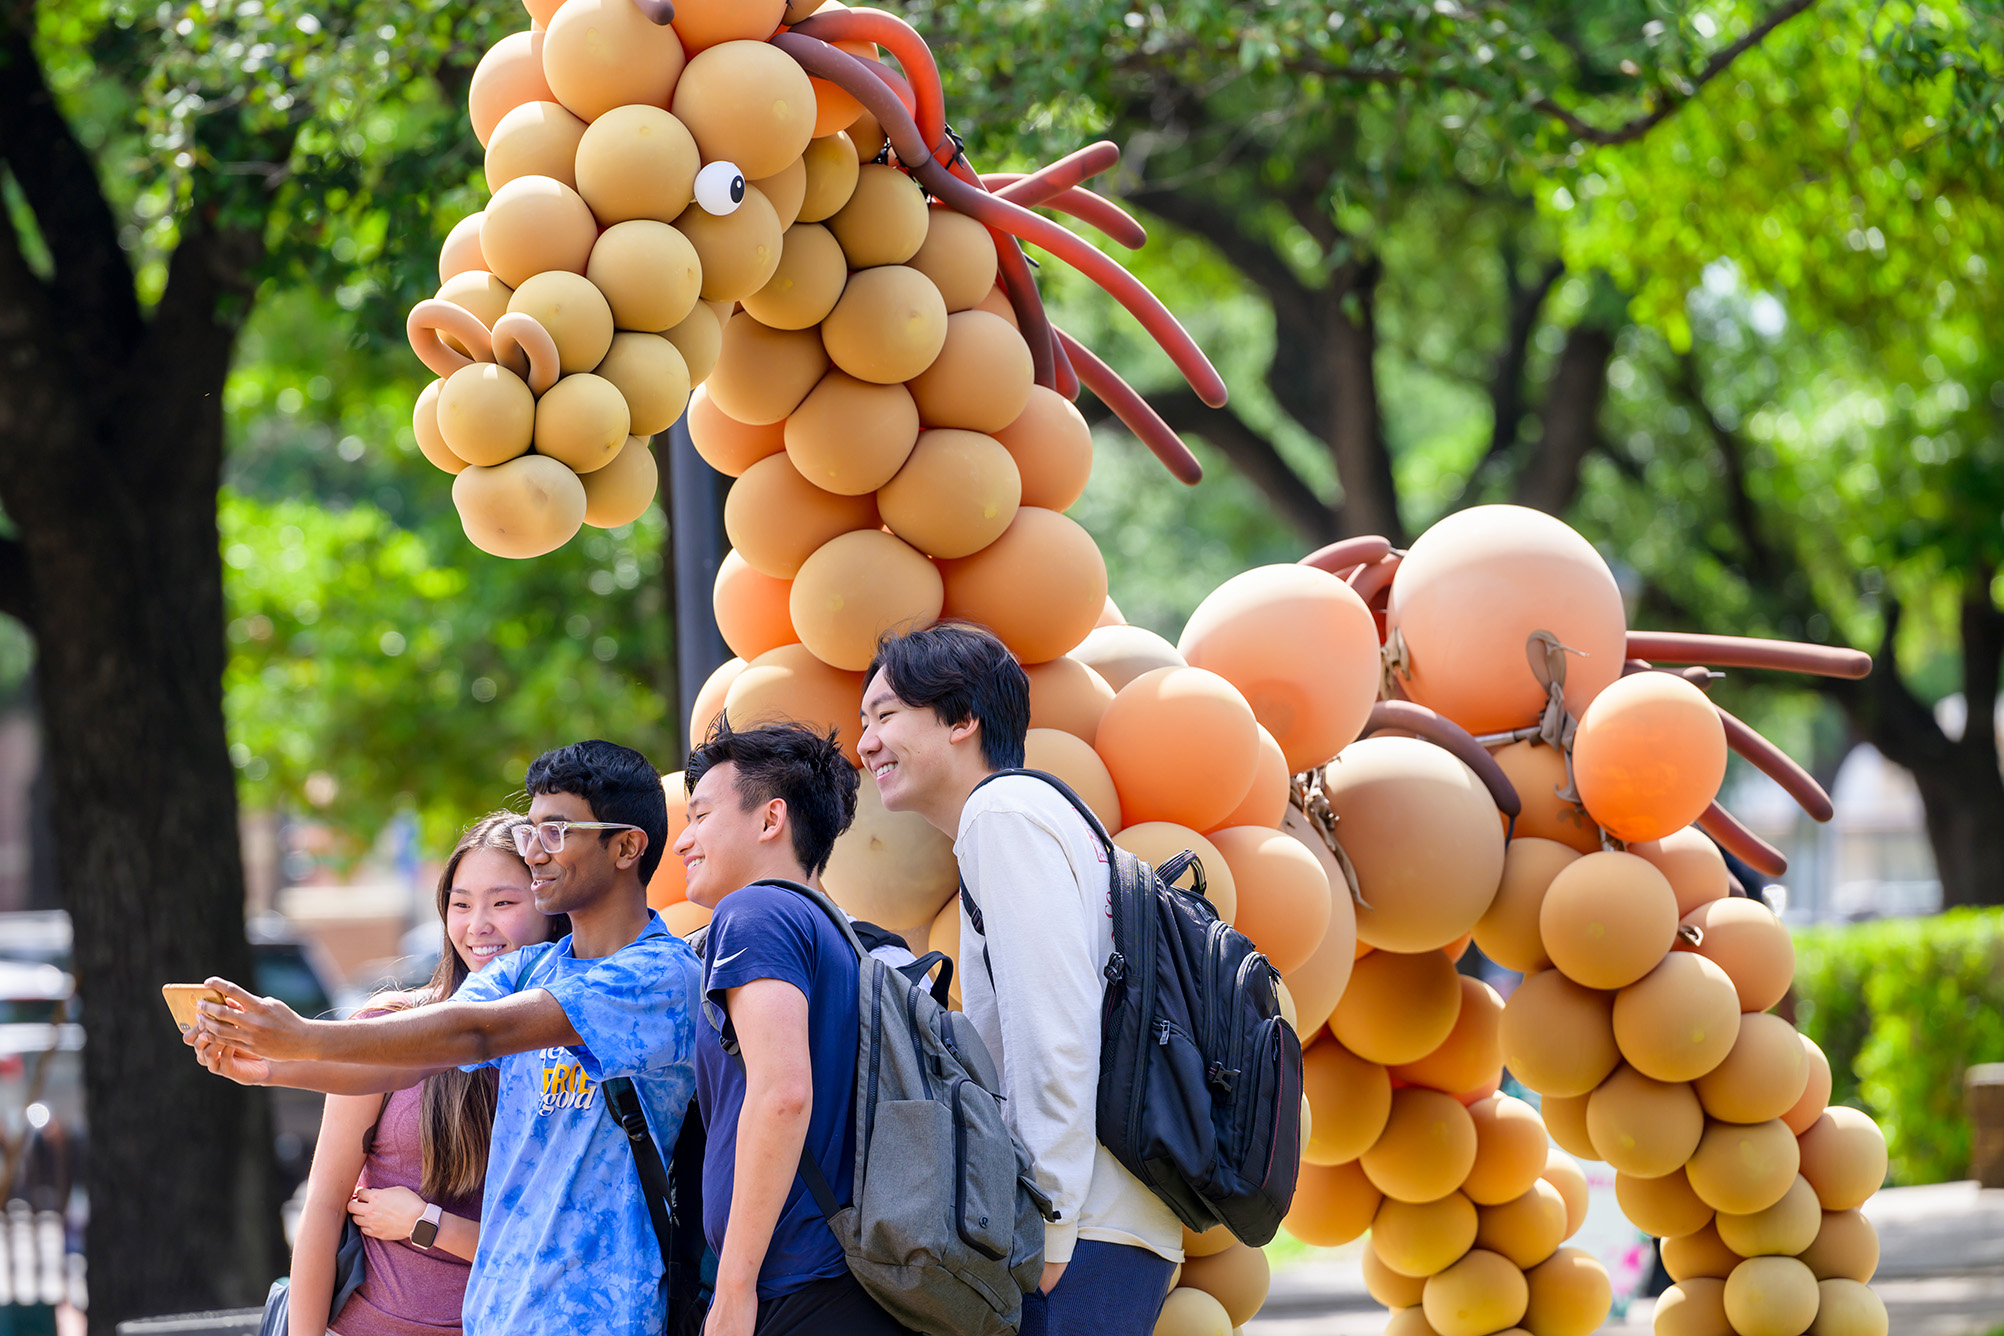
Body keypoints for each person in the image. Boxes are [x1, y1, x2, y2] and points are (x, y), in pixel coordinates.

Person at [189, 741, 701, 1336]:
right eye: (531, 832)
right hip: (497, 1320)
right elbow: (411, 1058)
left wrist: (302, 1036)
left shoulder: (660, 976)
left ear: (627, 846)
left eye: (556, 832)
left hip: (601, 1320)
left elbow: (474, 1033)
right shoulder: (532, 967)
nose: (534, 853)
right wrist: (275, 1062)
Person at [857, 624, 1180, 1336]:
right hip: (1111, 1218)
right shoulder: (1037, 813)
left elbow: (1053, 1028)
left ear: (963, 720)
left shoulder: (1001, 817)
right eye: (864, 722)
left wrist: (1051, 1226)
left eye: (885, 716)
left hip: (1082, 1226)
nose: (866, 743)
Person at [673, 718, 910, 1336]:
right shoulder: (835, 934)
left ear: (770, 819)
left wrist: (733, 1290)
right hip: (848, 1284)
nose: (684, 841)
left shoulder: (754, 911)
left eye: (700, 816)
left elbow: (781, 1094)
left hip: (799, 1288)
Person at [292, 811, 565, 1336]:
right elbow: (323, 1209)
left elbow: (557, 1248)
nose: (476, 925)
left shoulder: (574, 1047)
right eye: (460, 904)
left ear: (550, 907)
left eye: (503, 902)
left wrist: (428, 1224)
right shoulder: (393, 1027)